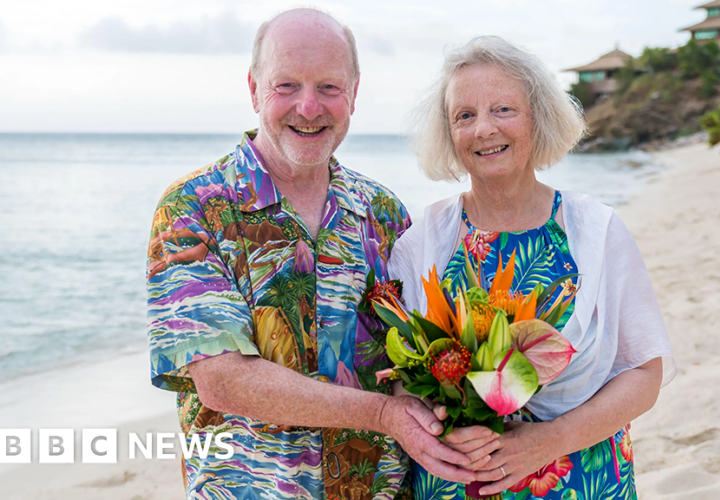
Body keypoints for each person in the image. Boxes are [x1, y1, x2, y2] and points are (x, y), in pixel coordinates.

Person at [145, 9, 477, 500]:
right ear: (254, 88)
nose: (308, 107)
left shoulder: (384, 213)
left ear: (354, 94)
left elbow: (415, 356)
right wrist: (386, 415)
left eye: (328, 87)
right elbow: (222, 380)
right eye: (286, 86)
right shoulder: (193, 209)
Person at [388, 36, 677, 499]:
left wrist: (548, 441)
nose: (484, 129)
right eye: (465, 115)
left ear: (538, 118)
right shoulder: (423, 243)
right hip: (461, 480)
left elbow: (644, 374)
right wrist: (438, 429)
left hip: (582, 476)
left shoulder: (597, 231)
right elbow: (404, 379)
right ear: (448, 132)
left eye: (503, 109)